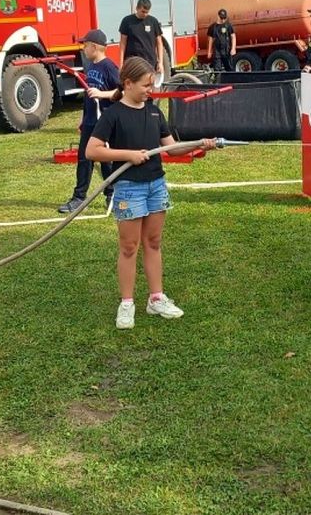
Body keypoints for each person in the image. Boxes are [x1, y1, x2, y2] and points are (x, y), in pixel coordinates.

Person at [85, 57, 216, 330]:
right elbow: (92, 150)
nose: (150, 89)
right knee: (129, 246)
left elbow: (171, 148)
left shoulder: (155, 113)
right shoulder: (113, 114)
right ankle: (127, 303)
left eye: (152, 83)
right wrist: (128, 156)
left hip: (156, 185)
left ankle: (156, 299)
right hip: (128, 188)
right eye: (146, 84)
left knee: (153, 242)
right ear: (128, 83)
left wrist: (200, 144)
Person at [58, 30, 119, 214]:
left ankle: (112, 195)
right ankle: (78, 198)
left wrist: (102, 94)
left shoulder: (109, 67)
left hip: (105, 121)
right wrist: (83, 119)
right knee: (84, 158)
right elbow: (88, 95)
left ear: (94, 47)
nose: (83, 49)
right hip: (90, 121)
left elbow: (121, 92)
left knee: (106, 161)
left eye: (85, 45)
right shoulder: (91, 66)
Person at [119, 0, 165, 76]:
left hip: (150, 62)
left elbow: (159, 43)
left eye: (147, 12)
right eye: (143, 12)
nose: (145, 14)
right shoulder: (127, 21)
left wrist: (160, 63)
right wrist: (121, 63)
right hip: (133, 63)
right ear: (137, 8)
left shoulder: (153, 21)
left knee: (150, 86)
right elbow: (123, 43)